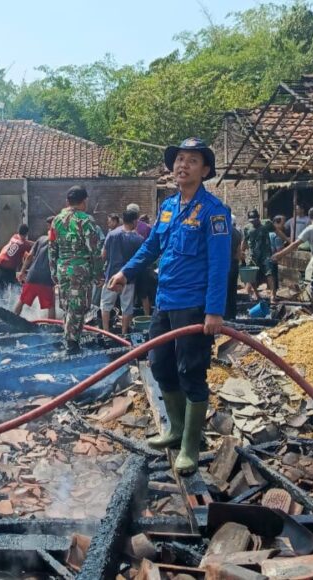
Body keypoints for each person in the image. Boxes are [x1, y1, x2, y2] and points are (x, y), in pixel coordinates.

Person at [108, 137, 231, 475]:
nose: (182, 165)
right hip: (165, 301)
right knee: (160, 365)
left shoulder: (214, 212)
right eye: (179, 159)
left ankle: (191, 445)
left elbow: (220, 265)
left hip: (194, 305)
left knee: (191, 372)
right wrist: (124, 273)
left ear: (205, 170)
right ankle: (175, 430)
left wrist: (214, 310)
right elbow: (150, 248)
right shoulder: (167, 208)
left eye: (192, 161)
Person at [49, 186, 104, 354]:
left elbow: (52, 248)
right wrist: (98, 274)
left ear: (67, 201)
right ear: (84, 202)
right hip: (80, 270)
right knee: (78, 307)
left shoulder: (56, 220)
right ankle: (72, 345)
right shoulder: (86, 220)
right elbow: (94, 250)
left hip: (62, 268)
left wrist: (53, 272)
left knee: (68, 306)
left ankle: (71, 340)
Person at [100, 209, 144, 334]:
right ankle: (124, 334)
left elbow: (103, 255)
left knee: (106, 305)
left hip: (111, 276)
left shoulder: (112, 234)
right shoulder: (139, 239)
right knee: (127, 307)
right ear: (135, 221)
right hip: (128, 278)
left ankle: (106, 332)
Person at [15, 217, 56, 319]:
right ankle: (52, 329)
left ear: (48, 226)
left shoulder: (41, 239)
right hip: (46, 278)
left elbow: (29, 257)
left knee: (22, 301)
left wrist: (22, 272)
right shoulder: (60, 242)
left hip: (32, 275)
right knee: (51, 306)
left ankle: (12, 320)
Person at [242, 209, 277, 303]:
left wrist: (288, 240)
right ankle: (256, 294)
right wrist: (241, 251)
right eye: (252, 221)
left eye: (255, 220)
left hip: (266, 255)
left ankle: (273, 295)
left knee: (269, 274)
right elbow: (244, 241)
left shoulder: (266, 225)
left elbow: (277, 231)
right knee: (251, 276)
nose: (254, 222)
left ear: (259, 218)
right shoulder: (247, 228)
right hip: (253, 256)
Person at [0, 224, 32, 294]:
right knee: (15, 287)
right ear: (26, 233)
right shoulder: (25, 245)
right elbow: (29, 254)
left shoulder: (14, 236)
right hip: (8, 268)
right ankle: (22, 300)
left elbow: (23, 244)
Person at [226, 216, 243, 320]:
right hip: (234, 264)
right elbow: (238, 253)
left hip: (224, 265)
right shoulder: (237, 233)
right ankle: (232, 316)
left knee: (224, 293)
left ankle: (225, 318)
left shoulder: (221, 231)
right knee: (232, 292)